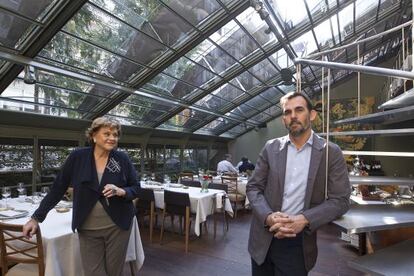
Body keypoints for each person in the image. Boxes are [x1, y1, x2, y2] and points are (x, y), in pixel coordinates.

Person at [246, 92, 350, 275]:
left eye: (299, 110)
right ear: (284, 119)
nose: (293, 116)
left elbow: (340, 200)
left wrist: (304, 219)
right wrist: (268, 216)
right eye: (287, 112)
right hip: (263, 238)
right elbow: (254, 187)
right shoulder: (271, 148)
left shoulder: (330, 153)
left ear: (312, 115)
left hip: (298, 242)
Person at [23, 117, 140, 276]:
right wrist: (36, 218)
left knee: (114, 272)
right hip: (88, 228)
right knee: (93, 272)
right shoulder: (78, 157)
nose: (112, 138)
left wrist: (121, 191)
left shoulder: (122, 159)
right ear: (93, 136)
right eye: (107, 133)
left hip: (118, 226)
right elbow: (58, 188)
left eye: (115, 134)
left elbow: (136, 188)